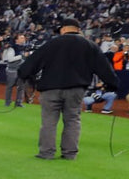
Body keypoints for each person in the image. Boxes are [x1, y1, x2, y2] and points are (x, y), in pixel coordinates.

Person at [17, 18, 119, 160]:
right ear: (78, 29)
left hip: (50, 88)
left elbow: (33, 62)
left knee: (49, 121)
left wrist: (23, 74)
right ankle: (70, 153)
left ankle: (46, 153)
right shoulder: (89, 45)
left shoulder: (52, 43)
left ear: (63, 29)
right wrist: (112, 84)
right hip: (76, 89)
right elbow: (104, 67)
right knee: (72, 120)